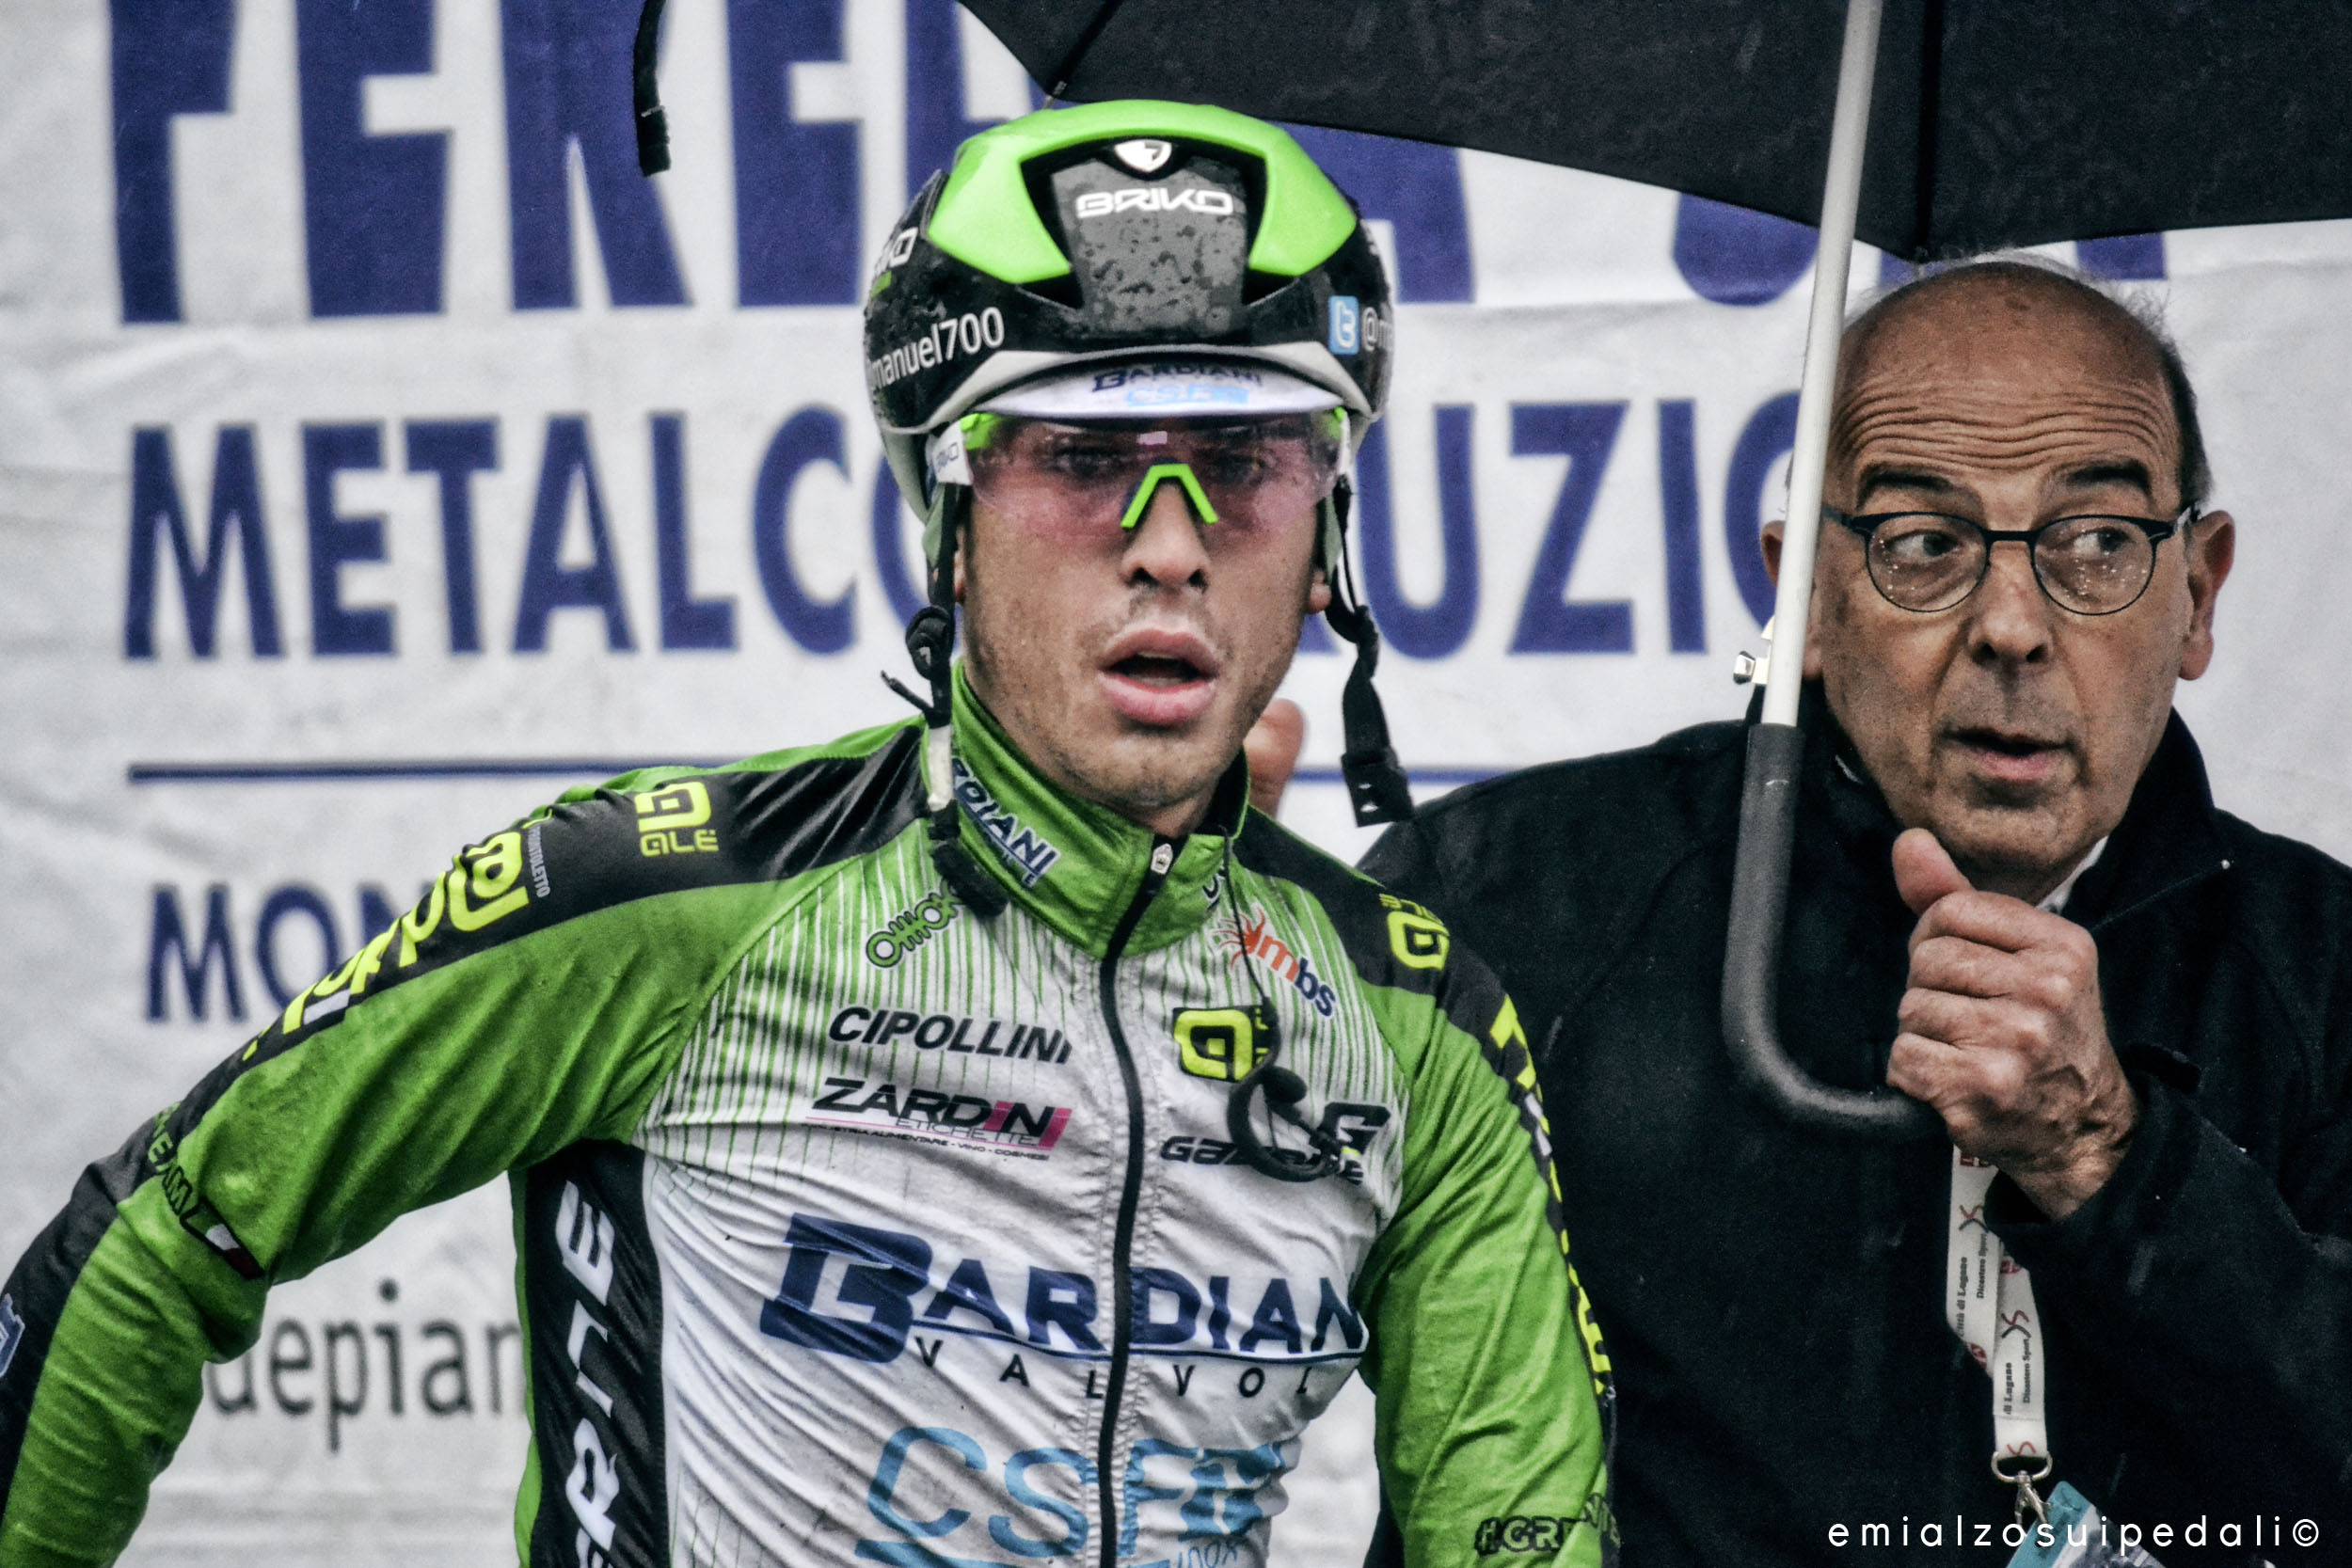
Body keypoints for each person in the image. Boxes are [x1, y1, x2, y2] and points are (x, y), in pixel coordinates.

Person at [0, 103, 1612, 1567]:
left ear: (1327, 536)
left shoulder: (1420, 1025)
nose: (1170, 546)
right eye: (1083, 459)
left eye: (1242, 463)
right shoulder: (668, 904)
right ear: (949, 524)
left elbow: (1520, 1532)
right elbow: (159, 1244)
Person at [1359, 258, 2351, 1565]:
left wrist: (2106, 1155)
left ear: (2199, 597)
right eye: (1924, 545)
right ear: (1804, 603)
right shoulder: (1508, 902)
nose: (2012, 626)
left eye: (2098, 542)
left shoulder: (2322, 970)